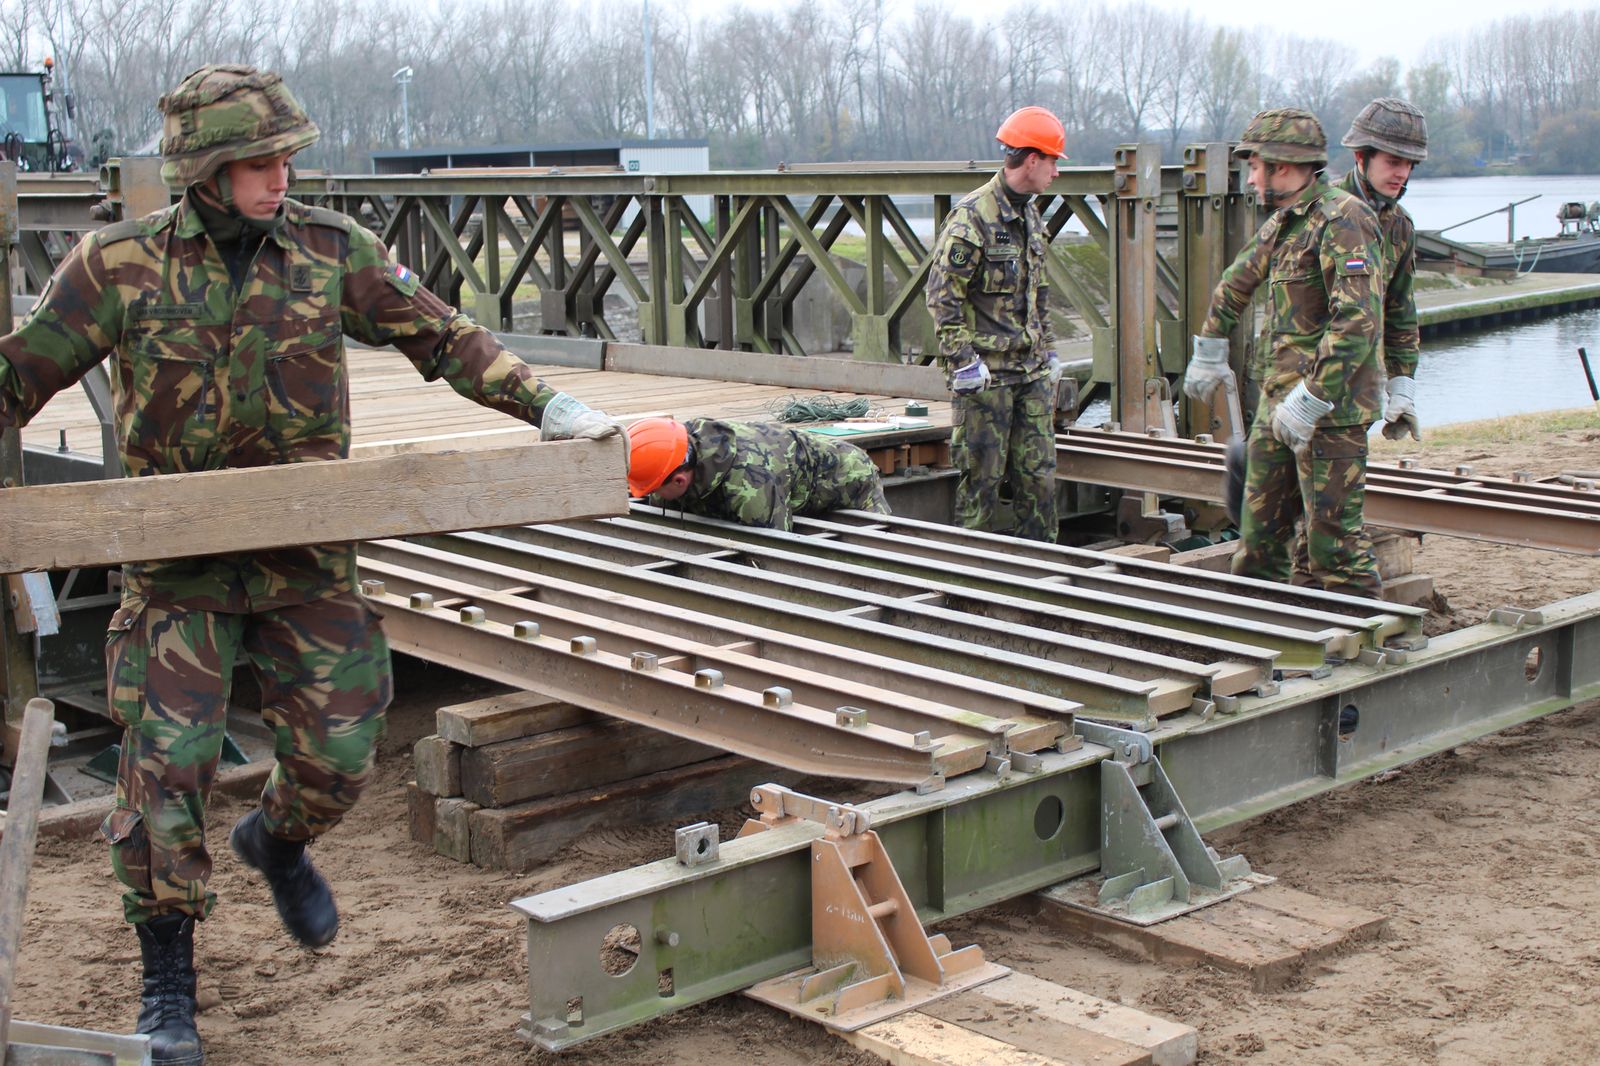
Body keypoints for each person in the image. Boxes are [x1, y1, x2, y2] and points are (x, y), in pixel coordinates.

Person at [0, 64, 624, 1065]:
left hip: (305, 559)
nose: (280, 177)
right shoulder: (118, 265)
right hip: (178, 571)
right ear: (206, 171)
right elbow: (18, 371)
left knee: (340, 757)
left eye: (287, 158)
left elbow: (443, 337)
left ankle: (278, 842)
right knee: (166, 772)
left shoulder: (329, 251)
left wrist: (547, 404)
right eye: (259, 162)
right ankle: (169, 987)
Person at [1182, 108, 1385, 597]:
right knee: (1258, 536)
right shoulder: (1285, 222)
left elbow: (1357, 321)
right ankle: (1262, 627)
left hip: (1331, 413)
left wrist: (1313, 398)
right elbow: (1236, 282)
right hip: (1278, 404)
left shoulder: (1344, 219)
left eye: (1256, 167)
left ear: (1284, 167)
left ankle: (1368, 631)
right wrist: (1209, 348)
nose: (1251, 178)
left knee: (1334, 546)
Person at [924, 106, 1064, 543]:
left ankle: (1043, 569)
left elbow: (1038, 290)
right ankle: (969, 572)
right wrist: (963, 361)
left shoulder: (1031, 216)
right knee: (980, 483)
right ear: (1033, 159)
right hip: (987, 379)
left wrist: (1048, 349)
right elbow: (942, 296)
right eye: (1054, 161)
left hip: (1030, 374)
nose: (1057, 172)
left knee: (1039, 481)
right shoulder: (973, 217)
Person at [1339, 97, 1427, 441]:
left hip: (1359, 397)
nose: (1402, 173)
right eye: (1393, 161)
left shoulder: (1400, 227)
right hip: (1299, 390)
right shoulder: (1318, 214)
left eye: (1409, 164)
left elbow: (1400, 310)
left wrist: (1402, 385)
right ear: (1361, 157)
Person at [625, 416, 889, 529]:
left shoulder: (751, 489)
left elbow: (777, 554)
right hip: (787, 473)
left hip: (848, 475)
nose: (650, 496)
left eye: (654, 490)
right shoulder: (680, 448)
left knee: (878, 556)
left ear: (680, 480)